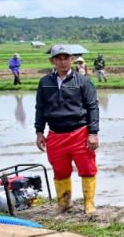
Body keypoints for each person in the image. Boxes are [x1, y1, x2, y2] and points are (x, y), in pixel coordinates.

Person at [35, 44, 101, 213]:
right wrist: (39, 131)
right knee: (60, 170)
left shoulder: (83, 81)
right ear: (53, 61)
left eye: (66, 58)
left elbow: (93, 106)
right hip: (55, 134)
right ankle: (64, 203)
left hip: (79, 132)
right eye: (59, 58)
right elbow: (40, 108)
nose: (63, 62)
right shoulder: (45, 83)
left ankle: (89, 204)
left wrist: (93, 133)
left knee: (87, 168)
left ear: (71, 60)